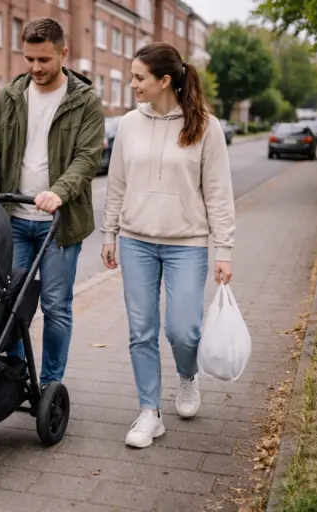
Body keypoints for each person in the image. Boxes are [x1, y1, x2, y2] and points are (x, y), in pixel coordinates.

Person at [100, 42, 236, 448]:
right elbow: (117, 183)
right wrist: (109, 233)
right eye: (132, 76)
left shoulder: (205, 127)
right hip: (136, 241)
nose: (132, 84)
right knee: (141, 331)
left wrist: (224, 249)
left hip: (187, 244)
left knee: (183, 330)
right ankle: (149, 412)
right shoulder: (127, 124)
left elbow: (218, 193)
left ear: (164, 81)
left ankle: (188, 377)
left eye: (139, 77)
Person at [0, 17, 104, 387]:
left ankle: (49, 385)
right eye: (29, 59)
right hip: (13, 217)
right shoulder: (10, 96)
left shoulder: (85, 101)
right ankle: (16, 373)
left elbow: (87, 158)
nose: (35, 68)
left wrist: (59, 191)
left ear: (64, 53)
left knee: (56, 306)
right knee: (10, 301)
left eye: (44, 60)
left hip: (60, 225)